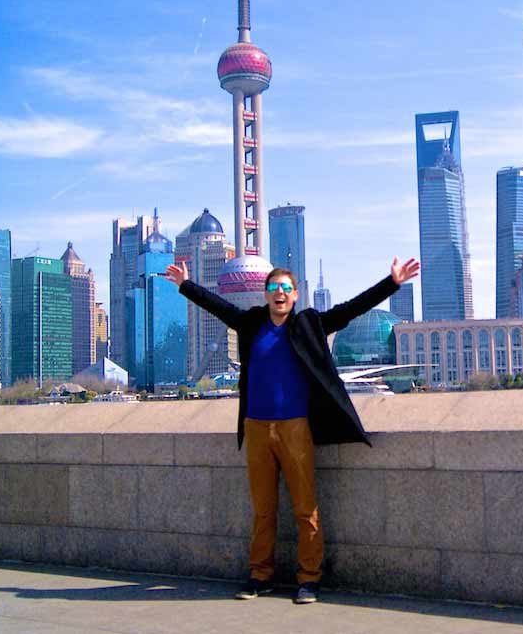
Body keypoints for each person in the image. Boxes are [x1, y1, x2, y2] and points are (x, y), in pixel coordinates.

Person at [163, 256, 420, 604]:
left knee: (304, 507)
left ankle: (309, 579)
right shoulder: (252, 323)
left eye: (286, 288)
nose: (279, 293)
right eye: (273, 288)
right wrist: (185, 285)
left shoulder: (309, 324)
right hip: (255, 426)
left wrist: (391, 283)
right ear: (266, 294)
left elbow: (351, 309)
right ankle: (260, 576)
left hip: (296, 427)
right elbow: (219, 306)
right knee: (263, 509)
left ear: (296, 295)